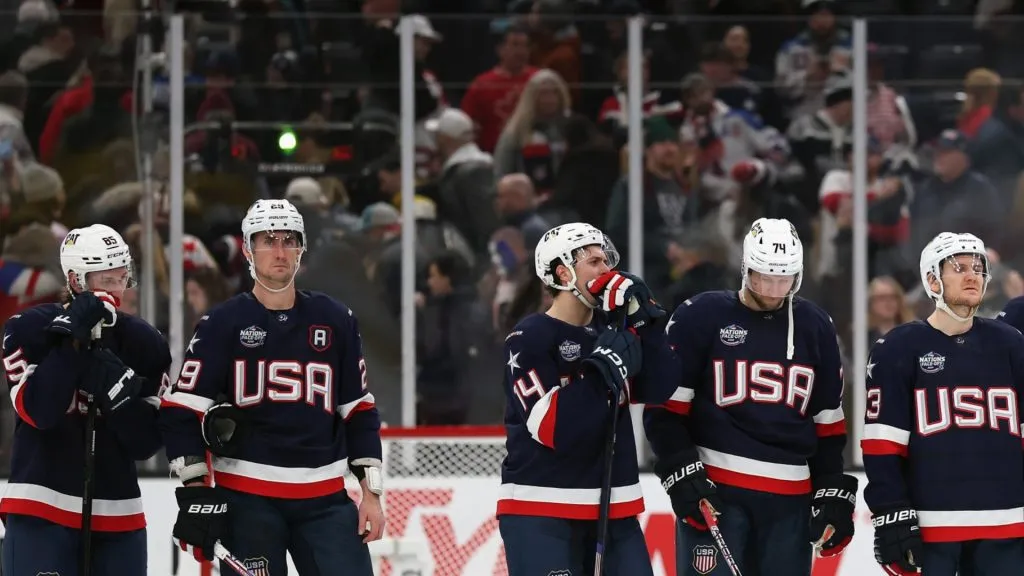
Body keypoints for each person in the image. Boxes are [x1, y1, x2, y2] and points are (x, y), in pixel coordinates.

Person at [159, 199, 386, 575]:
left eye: (289, 240)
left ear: (302, 248)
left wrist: (372, 494)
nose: (279, 251)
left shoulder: (336, 320)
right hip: (247, 500)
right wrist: (196, 491)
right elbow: (182, 411)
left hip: (325, 500)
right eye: (268, 240)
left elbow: (359, 411)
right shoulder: (221, 324)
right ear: (248, 248)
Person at [645, 217, 856, 576]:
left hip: (790, 501)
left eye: (784, 277)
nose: (774, 288)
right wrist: (680, 470)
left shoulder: (816, 326)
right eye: (764, 276)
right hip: (717, 493)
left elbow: (828, 426)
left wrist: (831, 491)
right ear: (746, 268)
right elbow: (665, 410)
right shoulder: (700, 316)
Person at [497, 222, 679, 576]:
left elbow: (660, 388)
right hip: (542, 509)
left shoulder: (613, 330)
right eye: (594, 261)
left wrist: (648, 326)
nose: (606, 270)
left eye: (606, 259)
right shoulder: (528, 338)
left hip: (615, 508)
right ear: (563, 273)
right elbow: (554, 428)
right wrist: (600, 372)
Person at [0, 224, 170, 574]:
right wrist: (72, 347)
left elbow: (146, 443)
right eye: (106, 279)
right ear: (77, 281)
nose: (118, 289)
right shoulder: (30, 330)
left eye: (121, 276)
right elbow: (38, 411)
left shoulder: (144, 342)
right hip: (40, 510)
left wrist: (117, 390)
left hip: (119, 519)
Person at [864, 232, 1024, 576]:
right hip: (930, 527)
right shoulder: (897, 348)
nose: (973, 275)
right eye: (959, 268)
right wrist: (890, 510)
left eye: (979, 268)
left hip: (1007, 526)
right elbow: (881, 444)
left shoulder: (1011, 344)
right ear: (932, 279)